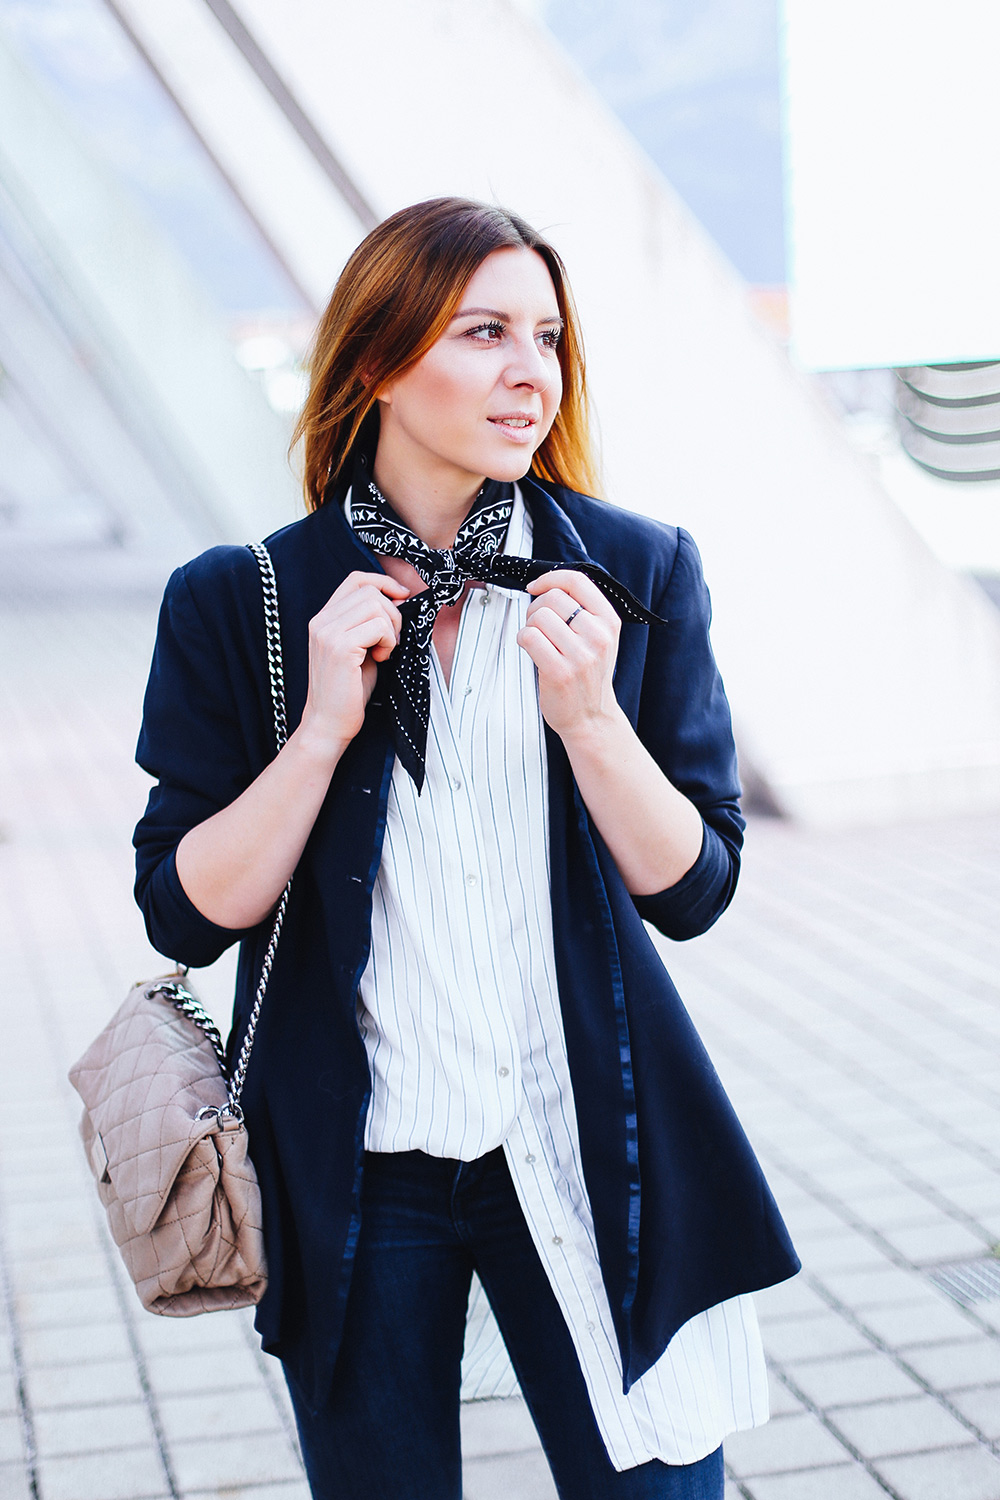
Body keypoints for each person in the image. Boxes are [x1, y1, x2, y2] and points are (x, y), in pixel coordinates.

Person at [134, 197, 798, 1500]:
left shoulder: (634, 570)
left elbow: (699, 888)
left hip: (592, 1141)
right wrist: (322, 729)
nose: (529, 372)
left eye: (546, 336)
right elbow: (184, 913)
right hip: (360, 1168)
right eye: (483, 331)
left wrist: (594, 721)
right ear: (377, 361)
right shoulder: (244, 601)